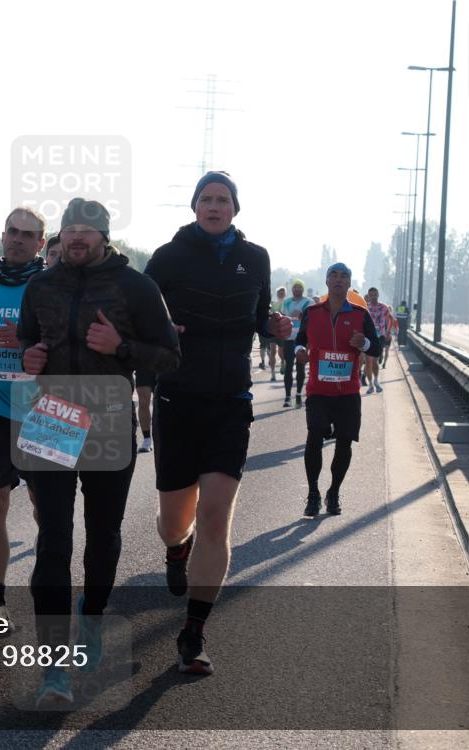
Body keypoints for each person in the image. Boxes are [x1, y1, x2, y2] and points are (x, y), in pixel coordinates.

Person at [18, 197, 180, 707]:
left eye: (87, 230)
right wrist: (29, 355)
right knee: (53, 541)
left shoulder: (136, 287)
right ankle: (53, 668)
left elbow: (170, 357)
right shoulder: (41, 285)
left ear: (104, 238)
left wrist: (122, 350)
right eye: (70, 230)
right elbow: (26, 342)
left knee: (103, 535)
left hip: (109, 420)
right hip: (53, 420)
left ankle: (91, 615)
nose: (77, 238)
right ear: (61, 237)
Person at [144, 171, 291, 675]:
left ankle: (194, 632)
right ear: (193, 206)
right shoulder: (167, 258)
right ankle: (175, 548)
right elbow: (137, 318)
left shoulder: (256, 259)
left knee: (216, 516)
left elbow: (261, 316)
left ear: (235, 208)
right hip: (178, 400)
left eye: (222, 199)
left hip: (231, 402)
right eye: (205, 199)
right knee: (172, 523)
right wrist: (158, 333)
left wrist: (275, 327)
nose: (213, 206)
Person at [0, 207, 45, 631]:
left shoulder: (50, 287)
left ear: (40, 242)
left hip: (44, 409)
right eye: (12, 232)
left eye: (27, 234)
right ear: (2, 237)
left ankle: (47, 579)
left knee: (45, 506)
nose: (17, 239)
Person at [295, 263, 381, 518]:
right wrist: (300, 351)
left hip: (347, 393)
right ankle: (313, 494)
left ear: (349, 283)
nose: (339, 280)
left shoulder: (360, 314)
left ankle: (333, 491)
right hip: (318, 391)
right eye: (334, 275)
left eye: (344, 276)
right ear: (327, 281)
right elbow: (300, 340)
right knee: (314, 438)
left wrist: (363, 342)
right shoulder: (311, 312)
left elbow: (376, 347)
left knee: (344, 443)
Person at [280, 279, 313, 407]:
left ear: (303, 289)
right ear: (292, 289)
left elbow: (311, 320)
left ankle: (298, 394)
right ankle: (287, 396)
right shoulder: (286, 302)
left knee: (300, 368)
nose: (297, 289)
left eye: (299, 287)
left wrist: (302, 315)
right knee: (288, 368)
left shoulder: (308, 302)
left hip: (302, 339)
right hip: (288, 339)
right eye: (295, 287)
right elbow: (282, 319)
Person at [363, 287, 392, 394]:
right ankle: (370, 384)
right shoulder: (365, 307)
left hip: (380, 337)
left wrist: (388, 331)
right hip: (368, 336)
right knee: (368, 361)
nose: (373, 297)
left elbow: (390, 319)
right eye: (371, 295)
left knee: (375, 361)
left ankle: (376, 381)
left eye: (375, 294)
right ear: (369, 296)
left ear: (378, 294)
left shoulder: (384, 307)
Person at [269, 286, 287, 381]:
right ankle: (272, 374)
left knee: (281, 351)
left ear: (285, 294)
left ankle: (283, 362)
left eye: (282, 293)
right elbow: (269, 314)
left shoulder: (287, 303)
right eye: (279, 292)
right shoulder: (273, 304)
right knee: (272, 351)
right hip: (273, 331)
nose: (281, 294)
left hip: (283, 330)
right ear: (277, 294)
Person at [135, 369, 155, 452]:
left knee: (163, 402)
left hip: (163, 362)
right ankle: (147, 440)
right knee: (143, 402)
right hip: (144, 364)